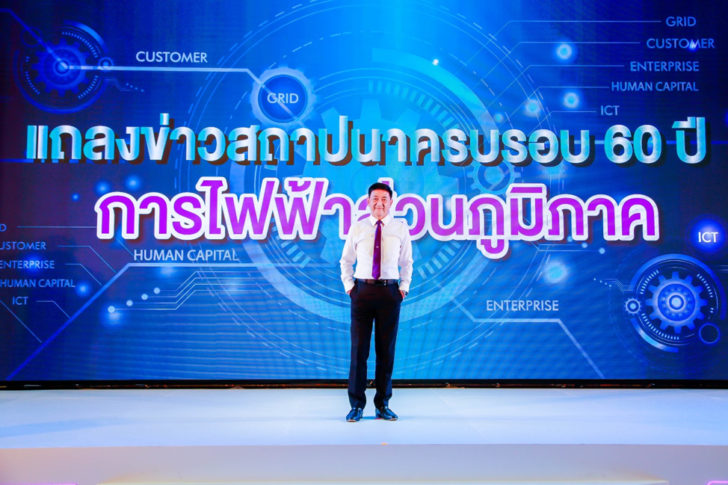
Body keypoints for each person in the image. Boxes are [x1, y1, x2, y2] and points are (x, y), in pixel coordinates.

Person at [340, 182, 413, 422]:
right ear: (368, 201)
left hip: (389, 294)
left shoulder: (400, 228)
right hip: (362, 292)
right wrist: (350, 287)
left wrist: (403, 288)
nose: (379, 203)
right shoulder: (358, 227)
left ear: (391, 202)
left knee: (386, 352)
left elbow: (407, 262)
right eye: (375, 199)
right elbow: (345, 261)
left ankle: (383, 404)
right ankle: (356, 405)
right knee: (358, 351)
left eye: (384, 199)